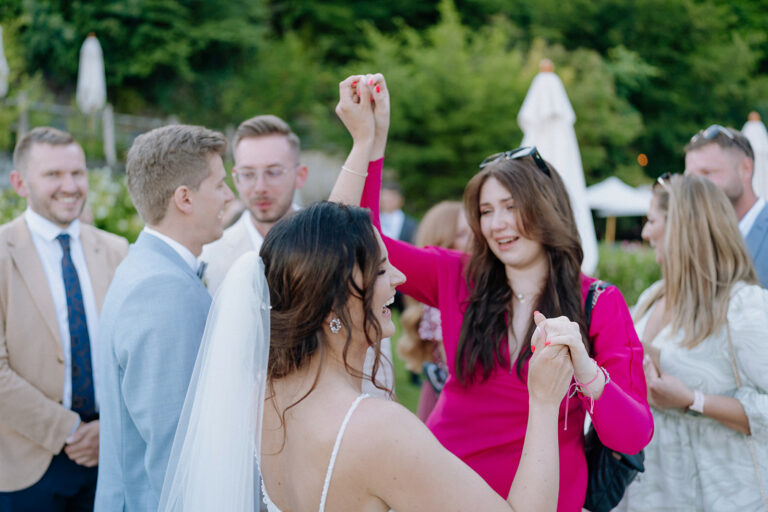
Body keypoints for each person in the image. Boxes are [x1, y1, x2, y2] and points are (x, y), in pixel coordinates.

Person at [332, 73, 654, 511]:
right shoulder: (457, 274)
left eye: (511, 207)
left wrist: (588, 372)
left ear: (546, 209)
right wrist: (373, 141)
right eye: (486, 211)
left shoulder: (599, 302)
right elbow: (360, 240)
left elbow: (634, 434)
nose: (498, 224)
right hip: (443, 487)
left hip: (544, 498)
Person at [160, 201, 574, 512]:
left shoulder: (261, 397)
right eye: (380, 271)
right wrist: (542, 401)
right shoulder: (377, 429)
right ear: (332, 306)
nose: (399, 278)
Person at [95, 125, 234, 511]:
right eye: (220, 184)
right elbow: (173, 450)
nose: (230, 196)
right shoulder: (161, 289)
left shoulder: (149, 267)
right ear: (185, 198)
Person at [620, 174, 768, 511]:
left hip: (721, 496)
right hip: (652, 492)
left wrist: (692, 400)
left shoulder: (743, 307)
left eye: (652, 221)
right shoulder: (652, 297)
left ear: (682, 228)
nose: (644, 233)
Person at [0, 127, 128, 511]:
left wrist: (109, 429)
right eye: (53, 175)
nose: (70, 186)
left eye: (78, 173)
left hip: (110, 455)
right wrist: (70, 431)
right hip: (28, 462)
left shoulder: (116, 250)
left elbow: (132, 354)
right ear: (20, 183)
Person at [200, 115, 308, 296]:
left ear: (300, 175)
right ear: (236, 178)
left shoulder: (328, 241)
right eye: (248, 174)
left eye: (273, 173)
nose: (260, 188)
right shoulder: (210, 257)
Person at [398, 200, 470, 420]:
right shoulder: (445, 292)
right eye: (461, 234)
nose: (472, 241)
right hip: (448, 397)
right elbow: (453, 364)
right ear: (443, 241)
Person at [685, 124, 768, 287]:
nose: (695, 186)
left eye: (707, 173)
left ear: (745, 169)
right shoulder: (695, 238)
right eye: (690, 177)